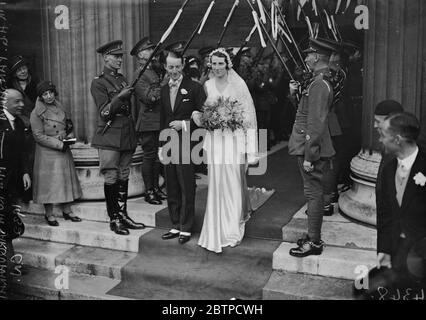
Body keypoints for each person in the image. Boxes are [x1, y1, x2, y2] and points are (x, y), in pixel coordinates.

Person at [196, 48, 258, 253]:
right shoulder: (207, 85)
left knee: (232, 181)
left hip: (233, 140)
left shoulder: (238, 84)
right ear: (210, 65)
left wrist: (251, 149)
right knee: (216, 183)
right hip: (215, 141)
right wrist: (206, 119)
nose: (217, 67)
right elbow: (202, 111)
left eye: (221, 64)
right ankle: (215, 229)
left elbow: (249, 116)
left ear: (228, 65)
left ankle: (232, 228)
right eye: (214, 64)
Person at [90, 40, 145, 235]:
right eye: (116, 56)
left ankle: (123, 215)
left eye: (121, 56)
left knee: (124, 174)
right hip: (110, 134)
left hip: (126, 132)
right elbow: (104, 112)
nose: (120, 59)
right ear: (106, 58)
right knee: (112, 176)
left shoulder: (121, 78)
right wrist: (119, 97)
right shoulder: (98, 82)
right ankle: (114, 218)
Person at [288, 38, 335, 257]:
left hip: (310, 148)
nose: (306, 58)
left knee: (313, 195)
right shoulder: (317, 81)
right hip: (308, 144)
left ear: (316, 57)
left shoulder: (319, 83)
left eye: (308, 55)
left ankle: (314, 242)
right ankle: (312, 237)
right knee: (313, 193)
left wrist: (310, 155)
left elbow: (316, 123)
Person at [159, 48, 206, 245]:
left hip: (188, 143)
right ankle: (175, 223)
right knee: (171, 184)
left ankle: (186, 227)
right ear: (165, 67)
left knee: (187, 185)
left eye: (178, 66)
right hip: (169, 142)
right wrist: (161, 145)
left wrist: (184, 124)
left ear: (183, 66)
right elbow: (163, 119)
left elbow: (205, 116)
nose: (174, 70)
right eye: (171, 67)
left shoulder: (194, 87)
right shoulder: (163, 90)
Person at [376, 112, 426, 293]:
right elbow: (385, 213)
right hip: (397, 254)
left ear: (397, 139)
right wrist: (383, 249)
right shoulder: (388, 169)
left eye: (383, 135)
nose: (380, 140)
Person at [30, 81, 82, 226]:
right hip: (47, 152)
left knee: (65, 180)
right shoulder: (36, 112)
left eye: (50, 92)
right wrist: (59, 144)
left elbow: (67, 124)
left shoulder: (59, 106)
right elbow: (38, 136)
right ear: (40, 97)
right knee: (48, 184)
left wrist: (68, 134)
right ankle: (49, 214)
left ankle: (67, 210)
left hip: (63, 148)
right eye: (45, 94)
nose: (49, 96)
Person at [0, 89, 32, 283]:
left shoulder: (19, 123)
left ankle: (10, 265)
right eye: (17, 101)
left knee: (8, 225)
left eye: (22, 101)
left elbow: (22, 151)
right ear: (6, 103)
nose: (22, 104)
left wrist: (25, 171)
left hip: (11, 184)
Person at [131, 37, 166, 205]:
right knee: (149, 156)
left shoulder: (152, 71)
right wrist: (164, 86)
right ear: (141, 55)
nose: (154, 54)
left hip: (158, 120)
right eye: (150, 51)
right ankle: (149, 191)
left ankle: (156, 188)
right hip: (148, 122)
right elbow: (149, 97)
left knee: (157, 157)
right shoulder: (140, 75)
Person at [7, 55, 39, 202]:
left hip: (36, 124)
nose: (22, 72)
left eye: (24, 68)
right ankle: (23, 193)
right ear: (14, 73)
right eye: (19, 70)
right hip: (19, 124)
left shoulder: (36, 83)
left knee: (33, 159)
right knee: (22, 158)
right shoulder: (10, 86)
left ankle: (34, 192)